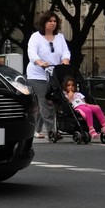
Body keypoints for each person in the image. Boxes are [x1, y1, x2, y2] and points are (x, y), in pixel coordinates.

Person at [26, 11, 71, 139]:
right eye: (50, 21)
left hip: (54, 75)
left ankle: (36, 129)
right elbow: (32, 53)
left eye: (55, 21)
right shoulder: (35, 37)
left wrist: (65, 60)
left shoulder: (60, 37)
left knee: (49, 103)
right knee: (46, 101)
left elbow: (65, 52)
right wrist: (40, 62)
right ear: (43, 23)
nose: (52, 23)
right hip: (37, 76)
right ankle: (52, 131)